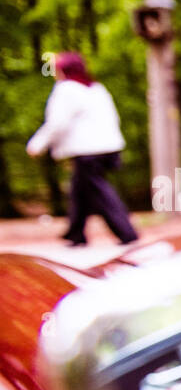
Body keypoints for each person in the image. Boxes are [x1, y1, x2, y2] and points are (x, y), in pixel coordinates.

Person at [25, 52, 138, 246]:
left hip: (88, 150)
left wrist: (37, 144)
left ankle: (126, 232)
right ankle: (76, 233)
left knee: (98, 190)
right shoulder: (96, 88)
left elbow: (58, 122)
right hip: (108, 147)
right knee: (80, 189)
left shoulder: (67, 89)